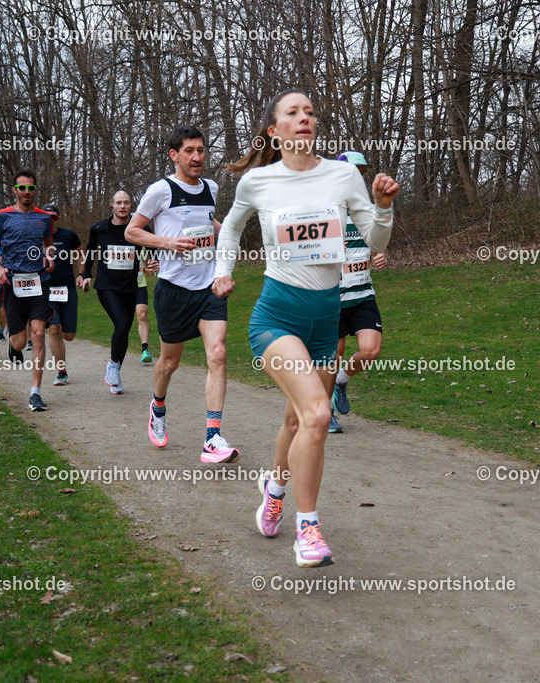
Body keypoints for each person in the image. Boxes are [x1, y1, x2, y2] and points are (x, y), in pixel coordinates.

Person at [213, 89, 398, 568]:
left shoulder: (341, 175)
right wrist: (222, 269)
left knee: (297, 421)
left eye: (311, 111)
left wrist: (383, 208)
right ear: (274, 130)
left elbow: (371, 244)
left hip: (326, 318)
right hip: (277, 316)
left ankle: (275, 488)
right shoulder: (258, 181)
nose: (305, 118)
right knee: (317, 414)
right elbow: (231, 228)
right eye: (292, 113)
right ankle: (308, 529)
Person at [125, 126, 240, 463]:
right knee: (169, 362)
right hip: (174, 291)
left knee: (217, 354)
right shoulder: (161, 191)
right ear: (174, 155)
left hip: (209, 287)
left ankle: (212, 438)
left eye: (201, 150)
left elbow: (209, 223)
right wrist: (167, 243)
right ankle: (158, 406)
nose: (197, 157)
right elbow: (133, 231)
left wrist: (229, 235)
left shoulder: (212, 188)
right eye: (189, 150)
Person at [0, 169, 55, 411]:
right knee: (20, 342)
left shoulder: (44, 217)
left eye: (31, 188)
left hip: (38, 282)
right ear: (14, 190)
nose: (26, 192)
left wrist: (49, 257)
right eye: (22, 188)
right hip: (12, 283)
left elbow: (48, 245)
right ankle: (12, 345)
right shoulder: (2, 216)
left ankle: (35, 393)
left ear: (35, 190)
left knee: (39, 334)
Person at [328, 151, 388, 434]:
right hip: (332, 298)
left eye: (361, 172)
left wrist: (379, 255)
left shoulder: (369, 210)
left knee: (371, 350)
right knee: (333, 352)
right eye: (353, 171)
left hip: (363, 294)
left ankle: (341, 381)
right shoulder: (328, 209)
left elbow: (377, 243)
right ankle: (324, 410)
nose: (358, 177)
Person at [80, 191, 155, 394]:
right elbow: (90, 252)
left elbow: (154, 247)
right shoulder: (99, 228)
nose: (122, 206)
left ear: (131, 206)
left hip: (130, 286)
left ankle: (115, 374)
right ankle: (113, 365)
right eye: (119, 203)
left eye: (126, 203)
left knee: (123, 330)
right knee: (122, 324)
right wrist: (86, 274)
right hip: (107, 286)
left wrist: (154, 262)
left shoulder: (139, 228)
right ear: (111, 205)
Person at [42, 203, 81, 386]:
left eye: (54, 217)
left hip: (67, 287)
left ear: (58, 218)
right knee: (53, 328)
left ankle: (61, 366)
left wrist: (82, 274)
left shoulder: (69, 235)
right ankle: (61, 371)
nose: (50, 220)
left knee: (69, 334)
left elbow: (82, 254)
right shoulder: (36, 237)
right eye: (47, 216)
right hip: (46, 288)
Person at [136, 250, 154, 365]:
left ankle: (145, 350)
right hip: (122, 286)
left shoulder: (140, 241)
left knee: (142, 315)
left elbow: (141, 260)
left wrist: (145, 269)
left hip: (140, 284)